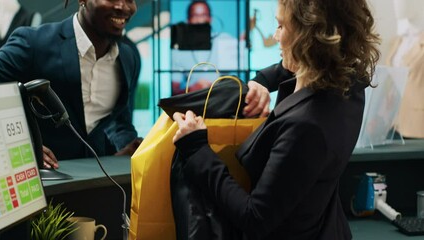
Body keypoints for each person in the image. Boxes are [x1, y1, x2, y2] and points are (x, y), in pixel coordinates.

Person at [172, 0, 380, 239]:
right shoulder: (350, 87)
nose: (275, 35)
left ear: (308, 36)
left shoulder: (306, 126)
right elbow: (295, 67)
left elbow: (255, 217)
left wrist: (197, 149)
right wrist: (262, 81)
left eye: (281, 26)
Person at [0, 0, 142, 168]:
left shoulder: (128, 58)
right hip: (42, 181)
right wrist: (21, 146)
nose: (123, 6)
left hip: (101, 181)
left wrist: (129, 148)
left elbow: (119, 121)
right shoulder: (34, 43)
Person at [171, 0, 243, 95]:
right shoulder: (179, 50)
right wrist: (192, 89)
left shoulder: (224, 39)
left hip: (223, 99)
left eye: (204, 15)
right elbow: (174, 91)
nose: (200, 20)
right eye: (195, 15)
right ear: (188, 20)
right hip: (194, 101)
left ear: (210, 18)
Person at [385, 0, 424, 138]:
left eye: (403, 1)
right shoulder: (397, 41)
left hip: (418, 123)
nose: (397, 5)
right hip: (392, 123)